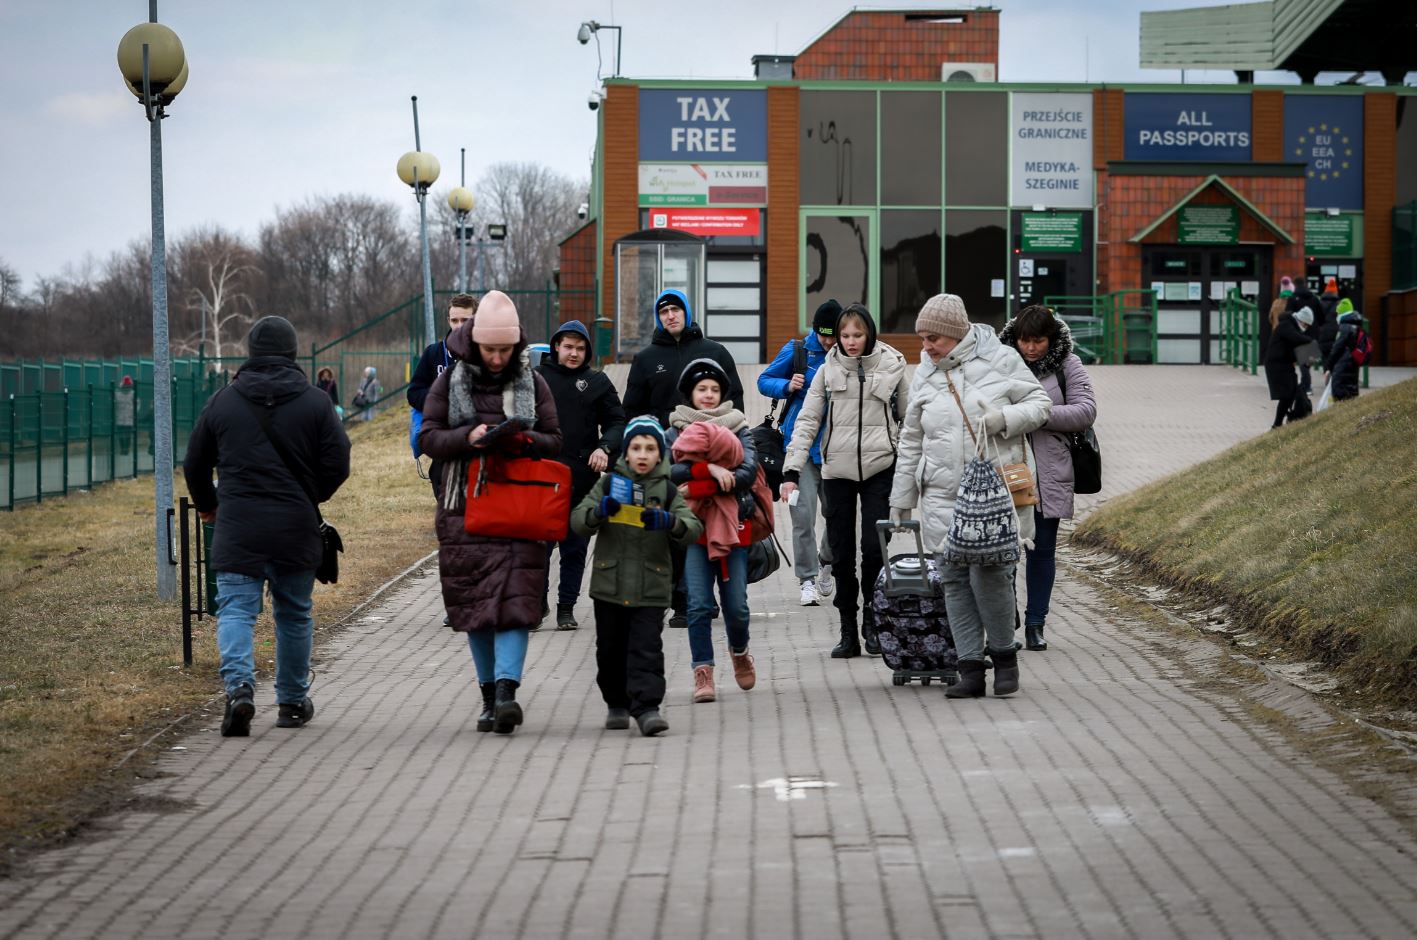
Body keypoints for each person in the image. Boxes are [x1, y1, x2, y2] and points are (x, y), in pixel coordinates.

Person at [183, 316, 352, 737]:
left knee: (237, 609)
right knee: (294, 614)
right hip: (295, 526)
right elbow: (338, 462)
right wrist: (310, 495)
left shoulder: (223, 401)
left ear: (251, 353)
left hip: (238, 525)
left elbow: (194, 463)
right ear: (294, 353)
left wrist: (209, 506)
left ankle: (239, 688)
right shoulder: (316, 402)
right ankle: (292, 703)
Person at [888, 294, 1051, 698]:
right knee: (954, 580)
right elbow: (911, 439)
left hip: (993, 495)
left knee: (992, 577)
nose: (925, 347)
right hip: (942, 495)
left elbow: (1041, 404)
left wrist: (1004, 420)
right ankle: (970, 669)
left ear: (956, 334)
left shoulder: (1001, 359)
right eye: (922, 338)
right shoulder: (925, 372)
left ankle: (1005, 658)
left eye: (933, 338)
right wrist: (901, 496)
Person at [419, 291, 562, 735]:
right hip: (466, 509)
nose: (498, 358)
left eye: (506, 349)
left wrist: (524, 441)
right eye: (490, 349)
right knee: (475, 606)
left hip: (520, 508)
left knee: (517, 605)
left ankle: (506, 695)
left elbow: (556, 440)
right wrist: (469, 437)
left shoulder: (533, 381)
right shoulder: (450, 379)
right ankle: (487, 697)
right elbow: (429, 438)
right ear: (474, 341)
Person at [780, 303, 909, 659]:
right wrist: (792, 470)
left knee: (873, 550)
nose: (850, 342)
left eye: (857, 335)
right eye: (845, 335)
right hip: (835, 470)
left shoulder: (894, 365)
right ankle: (848, 627)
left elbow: (910, 421)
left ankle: (873, 620)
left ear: (869, 333)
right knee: (841, 553)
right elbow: (807, 420)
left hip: (880, 468)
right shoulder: (826, 369)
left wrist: (908, 467)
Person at [572, 416, 703, 735]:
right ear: (625, 454)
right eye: (635, 448)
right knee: (610, 650)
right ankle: (616, 703)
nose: (642, 454)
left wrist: (670, 522)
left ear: (660, 454)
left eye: (649, 448)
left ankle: (647, 708)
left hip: (651, 587)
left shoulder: (668, 490)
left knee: (646, 649)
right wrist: (599, 512)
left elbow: (694, 529)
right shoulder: (607, 485)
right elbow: (578, 521)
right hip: (609, 587)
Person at [624, 288, 743, 629]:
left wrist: (735, 444)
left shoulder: (715, 352)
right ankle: (683, 600)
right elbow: (632, 410)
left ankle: (716, 595)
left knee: (716, 524)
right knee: (676, 528)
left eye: (676, 309)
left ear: (687, 312)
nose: (670, 316)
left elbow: (736, 400)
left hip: (718, 456)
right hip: (669, 456)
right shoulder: (646, 358)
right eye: (663, 312)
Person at [998, 305, 1097, 652]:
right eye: (1025, 340)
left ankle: (1035, 623)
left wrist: (1036, 415)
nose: (1031, 348)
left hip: (1049, 472)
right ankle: (1004, 620)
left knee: (1041, 552)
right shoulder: (999, 362)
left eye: (1039, 341)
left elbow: (1085, 410)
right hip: (1007, 470)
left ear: (1051, 339)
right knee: (1003, 552)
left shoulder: (1068, 365)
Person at [667, 358, 761, 703]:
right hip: (694, 529)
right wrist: (708, 468)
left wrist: (698, 485)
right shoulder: (675, 430)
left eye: (714, 390)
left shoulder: (739, 428)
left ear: (723, 394)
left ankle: (739, 651)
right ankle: (702, 671)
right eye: (701, 389)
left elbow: (747, 472)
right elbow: (669, 472)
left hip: (734, 526)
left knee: (736, 606)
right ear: (691, 394)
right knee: (698, 605)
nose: (708, 395)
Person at [537, 319, 627, 630]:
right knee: (539, 548)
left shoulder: (598, 382)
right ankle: (537, 604)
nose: (573, 353)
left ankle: (566, 608)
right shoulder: (538, 379)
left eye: (579, 348)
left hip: (583, 481)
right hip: (543, 479)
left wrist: (604, 448)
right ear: (556, 347)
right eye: (568, 347)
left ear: (586, 351)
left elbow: (618, 422)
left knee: (574, 549)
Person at [757, 299, 839, 608]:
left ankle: (827, 562)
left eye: (834, 335)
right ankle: (807, 580)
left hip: (835, 451)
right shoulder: (798, 351)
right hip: (798, 450)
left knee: (837, 516)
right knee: (802, 516)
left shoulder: (846, 353)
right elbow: (763, 380)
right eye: (823, 335)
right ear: (815, 330)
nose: (829, 342)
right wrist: (787, 385)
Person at [1265, 305, 1316, 428]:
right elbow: (1296, 338)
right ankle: (1278, 424)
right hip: (1277, 365)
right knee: (1287, 394)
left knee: (1291, 392)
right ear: (1302, 321)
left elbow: (1294, 348)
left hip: (1285, 363)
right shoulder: (1286, 325)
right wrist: (1311, 342)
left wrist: (1308, 358)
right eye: (1306, 325)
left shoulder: (1292, 326)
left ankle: (1287, 419)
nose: (1306, 328)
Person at [1323, 303, 1366, 403]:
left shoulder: (1345, 328)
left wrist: (1328, 367)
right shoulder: (1357, 327)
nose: (1337, 317)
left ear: (1343, 314)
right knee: (1350, 395)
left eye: (1338, 313)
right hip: (1352, 366)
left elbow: (1336, 349)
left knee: (1340, 396)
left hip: (1342, 367)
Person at [115, 375, 136, 456]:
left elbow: (137, 404)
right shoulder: (117, 394)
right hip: (120, 418)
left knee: (127, 435)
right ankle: (122, 448)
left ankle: (126, 449)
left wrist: (133, 412)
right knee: (121, 435)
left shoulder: (133, 394)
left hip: (129, 419)